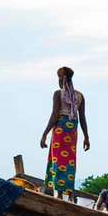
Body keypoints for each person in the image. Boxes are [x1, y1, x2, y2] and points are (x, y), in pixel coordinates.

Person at [40, 66, 90, 199]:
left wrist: (44, 134)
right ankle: (71, 194)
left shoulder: (58, 93)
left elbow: (55, 115)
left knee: (58, 160)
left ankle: (60, 195)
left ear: (61, 79)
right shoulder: (79, 96)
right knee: (69, 161)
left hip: (61, 128)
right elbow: (82, 118)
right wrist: (86, 137)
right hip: (73, 129)